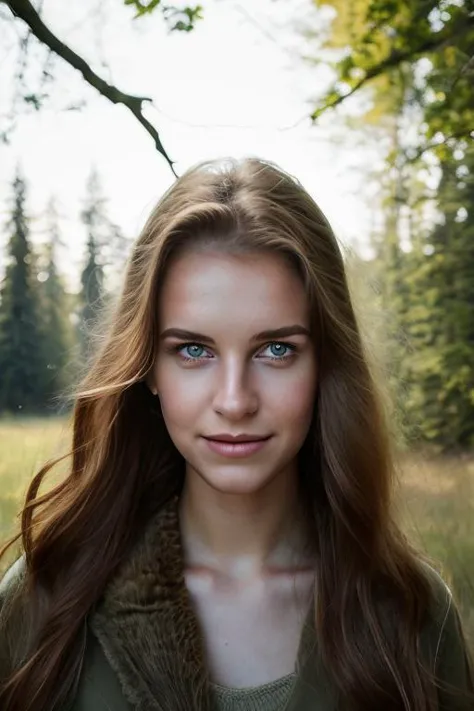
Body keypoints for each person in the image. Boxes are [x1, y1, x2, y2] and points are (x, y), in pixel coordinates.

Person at [0, 157, 473, 711]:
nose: (234, 401)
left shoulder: (411, 614)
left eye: (276, 350)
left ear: (324, 364)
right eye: (193, 350)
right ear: (149, 366)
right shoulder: (47, 599)